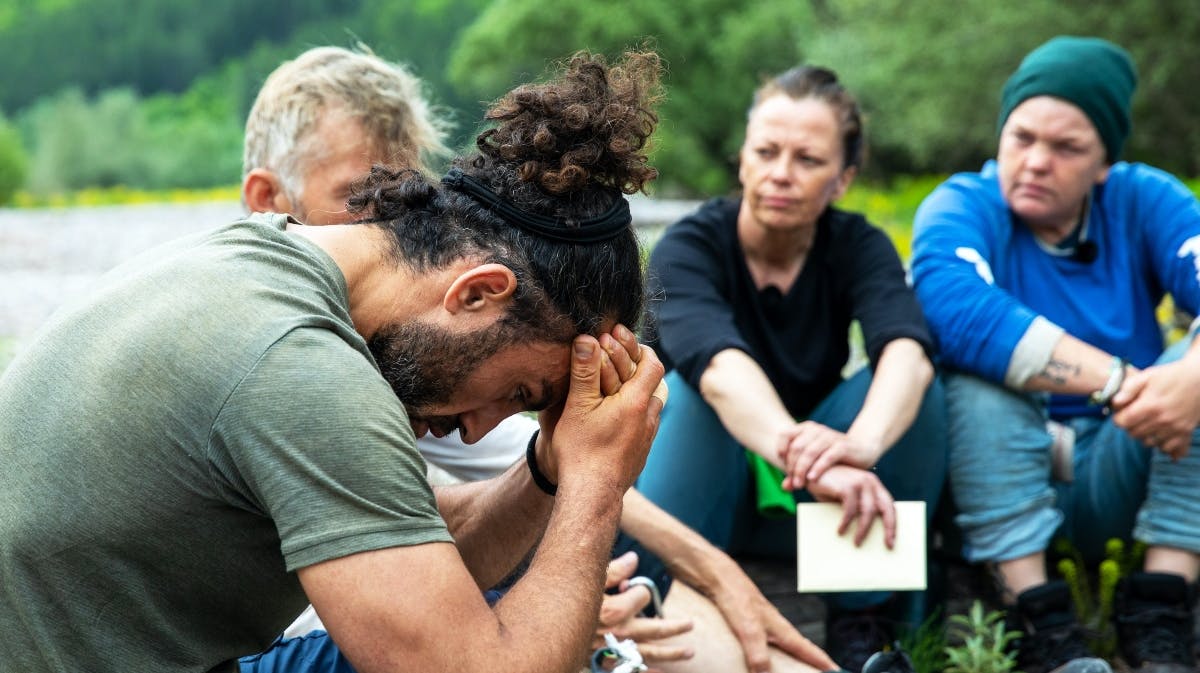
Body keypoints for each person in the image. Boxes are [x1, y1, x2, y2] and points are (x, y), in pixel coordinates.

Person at [0, 50, 670, 673]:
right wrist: (596, 475)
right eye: (518, 388)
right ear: (477, 292)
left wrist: (551, 469)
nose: (480, 429)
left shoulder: (260, 257)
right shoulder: (297, 363)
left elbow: (414, 548)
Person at [239, 45, 838, 673]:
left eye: (409, 194)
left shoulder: (316, 301)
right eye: (355, 195)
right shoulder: (299, 358)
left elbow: (496, 484)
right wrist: (556, 606)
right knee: (549, 603)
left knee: (575, 556)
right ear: (265, 196)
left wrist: (708, 565)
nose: (389, 216)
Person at [616, 64, 948, 672]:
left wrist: (858, 448)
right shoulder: (688, 247)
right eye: (766, 152)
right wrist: (809, 455)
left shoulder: (858, 246)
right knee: (686, 392)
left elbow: (903, 345)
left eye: (807, 159)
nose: (780, 174)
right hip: (704, 493)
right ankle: (680, 603)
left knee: (912, 380)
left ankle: (862, 625)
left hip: (826, 496)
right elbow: (718, 364)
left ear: (843, 178)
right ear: (743, 159)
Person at [910, 36, 1200, 673]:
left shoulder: (1145, 198)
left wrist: (1192, 378)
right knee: (974, 381)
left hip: (1128, 460)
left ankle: (1163, 607)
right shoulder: (963, 204)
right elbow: (952, 307)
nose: (1036, 161)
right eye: (1022, 138)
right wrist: (1124, 383)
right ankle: (1038, 619)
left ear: (1104, 163)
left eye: (1067, 147)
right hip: (1002, 468)